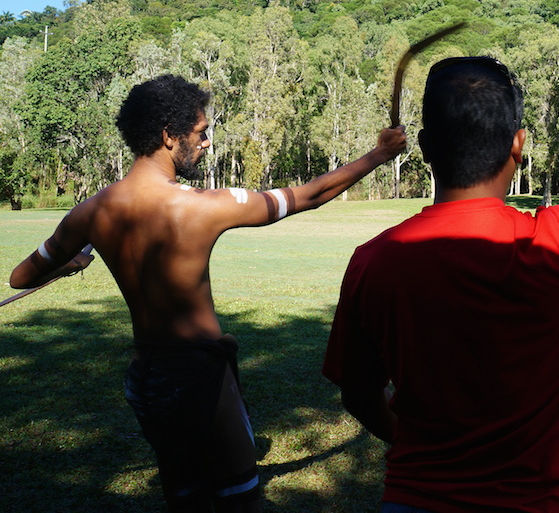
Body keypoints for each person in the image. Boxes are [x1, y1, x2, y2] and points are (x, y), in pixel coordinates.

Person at [322, 3, 559, 513]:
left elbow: (359, 394)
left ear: (426, 148)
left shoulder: (374, 262)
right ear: (518, 144)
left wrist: (413, 441)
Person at [8, 74, 406, 512]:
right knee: (240, 501)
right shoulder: (199, 207)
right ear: (167, 136)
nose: (207, 143)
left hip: (147, 379)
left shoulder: (90, 211)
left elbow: (21, 277)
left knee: (186, 497)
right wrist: (380, 154)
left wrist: (70, 262)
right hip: (198, 377)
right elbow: (309, 196)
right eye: (200, 133)